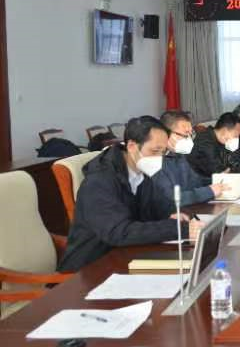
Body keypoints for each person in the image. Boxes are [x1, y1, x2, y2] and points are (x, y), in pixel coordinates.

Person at [57, 116, 204, 272]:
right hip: (91, 268)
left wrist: (174, 214)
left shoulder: (141, 170)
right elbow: (119, 232)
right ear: (132, 146)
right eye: (154, 151)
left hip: (128, 255)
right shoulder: (99, 181)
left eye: (163, 152)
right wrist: (180, 229)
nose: (159, 159)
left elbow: (158, 206)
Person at [150, 110, 227, 214]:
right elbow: (171, 199)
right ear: (165, 134)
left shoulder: (179, 155)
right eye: (185, 134)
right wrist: (209, 191)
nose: (189, 139)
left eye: (191, 134)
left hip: (190, 212)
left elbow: (195, 182)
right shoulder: (154, 162)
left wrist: (217, 179)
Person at [188, 112, 240, 178]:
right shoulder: (204, 142)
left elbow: (233, 160)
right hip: (201, 185)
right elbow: (219, 172)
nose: (237, 139)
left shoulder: (221, 141)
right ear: (225, 130)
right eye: (236, 135)